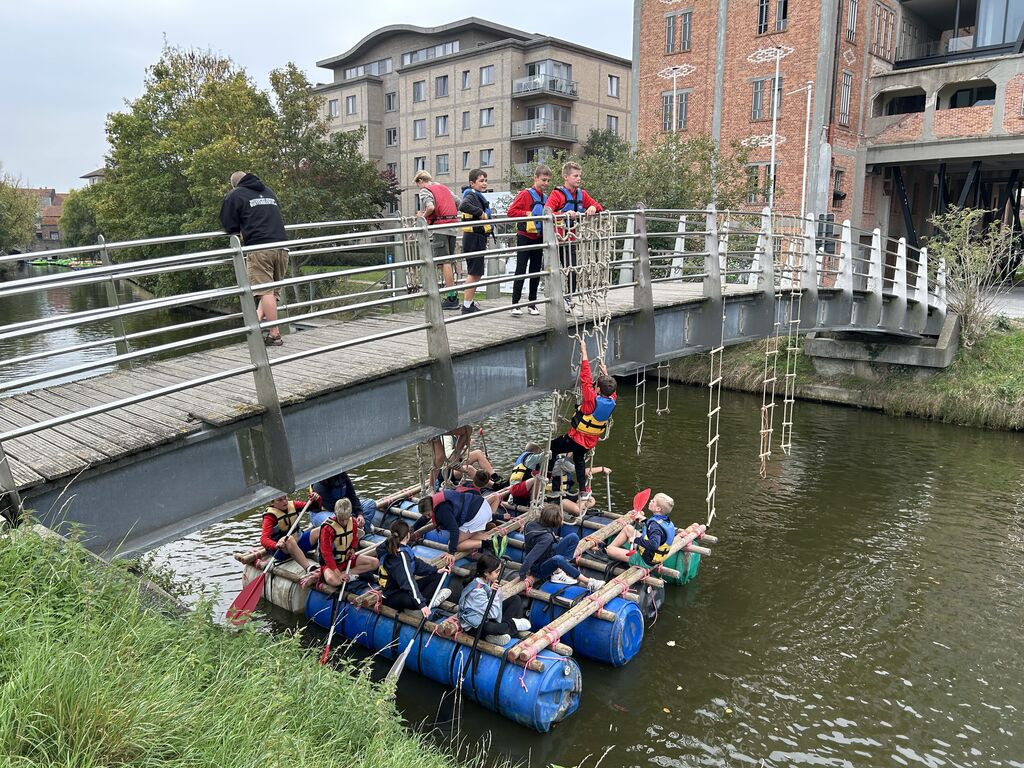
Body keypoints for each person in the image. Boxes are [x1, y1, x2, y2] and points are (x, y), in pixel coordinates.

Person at [219, 171, 289, 346]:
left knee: (265, 292)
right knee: (270, 292)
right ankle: (255, 326)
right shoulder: (268, 191)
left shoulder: (235, 195)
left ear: (233, 185)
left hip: (260, 248)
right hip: (282, 247)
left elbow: (229, 225)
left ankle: (275, 334)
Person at [549, 343, 617, 501]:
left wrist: (584, 351)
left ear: (597, 389)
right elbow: (611, 389)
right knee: (579, 460)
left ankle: (548, 474)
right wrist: (606, 373)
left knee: (553, 446)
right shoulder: (613, 401)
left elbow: (586, 378)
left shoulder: (591, 400)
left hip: (575, 439)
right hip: (589, 443)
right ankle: (582, 490)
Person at [544, 161, 603, 312]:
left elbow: (599, 206)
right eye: (575, 176)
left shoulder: (582, 194)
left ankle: (568, 300)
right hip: (557, 239)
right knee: (556, 271)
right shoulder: (557, 194)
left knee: (573, 270)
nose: (579, 179)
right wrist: (563, 214)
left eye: (580, 176)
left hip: (571, 239)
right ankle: (555, 301)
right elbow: (547, 212)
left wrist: (592, 207)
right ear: (566, 177)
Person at [413, 470, 501, 566]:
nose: (427, 517)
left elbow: (454, 530)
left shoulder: (442, 512)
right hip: (483, 505)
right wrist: (413, 529)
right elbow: (424, 518)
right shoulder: (434, 503)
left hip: (477, 516)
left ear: (432, 508)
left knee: (456, 544)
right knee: (468, 536)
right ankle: (491, 538)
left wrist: (451, 552)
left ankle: (488, 544)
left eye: (428, 514)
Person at [375, 520, 456, 615]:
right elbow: (408, 581)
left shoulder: (397, 546)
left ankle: (423, 602)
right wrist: (421, 604)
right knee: (412, 600)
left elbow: (416, 563)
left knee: (437, 576)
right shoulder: (400, 556)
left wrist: (436, 570)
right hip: (392, 596)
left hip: (402, 589)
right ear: (407, 535)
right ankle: (429, 603)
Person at [519, 503, 604, 590]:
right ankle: (588, 582)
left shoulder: (529, 524)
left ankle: (559, 569)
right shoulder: (546, 538)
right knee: (558, 559)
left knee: (573, 537)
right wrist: (522, 576)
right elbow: (530, 558)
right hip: (539, 569)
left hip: (547, 553)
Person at [506, 164, 552, 316]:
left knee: (535, 270)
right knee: (521, 269)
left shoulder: (546, 198)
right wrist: (527, 214)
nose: (546, 183)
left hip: (539, 237)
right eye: (543, 180)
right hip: (525, 236)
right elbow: (511, 212)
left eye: (548, 181)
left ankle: (532, 304)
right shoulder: (525, 194)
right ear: (536, 178)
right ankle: (515, 304)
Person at [457, 552, 531, 645]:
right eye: (497, 571)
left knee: (515, 599)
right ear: (486, 572)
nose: (499, 574)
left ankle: (496, 634)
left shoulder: (485, 580)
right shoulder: (476, 591)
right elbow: (493, 613)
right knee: (492, 628)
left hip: (485, 616)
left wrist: (491, 591)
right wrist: (495, 594)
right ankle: (512, 625)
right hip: (475, 625)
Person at [414, 170, 461, 311]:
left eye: (417, 184)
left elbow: (430, 207)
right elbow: (458, 202)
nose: (418, 187)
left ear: (420, 181)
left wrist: (422, 217)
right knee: (448, 262)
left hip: (440, 228)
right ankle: (452, 296)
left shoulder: (425, 190)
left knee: (443, 261)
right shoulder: (443, 187)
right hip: (453, 226)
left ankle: (452, 298)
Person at [605, 492, 677, 568]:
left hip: (645, 560)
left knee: (609, 550)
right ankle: (612, 549)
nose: (650, 501)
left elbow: (654, 545)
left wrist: (636, 540)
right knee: (628, 528)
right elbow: (655, 528)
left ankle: (608, 550)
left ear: (658, 509)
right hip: (652, 555)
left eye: (653, 501)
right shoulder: (666, 521)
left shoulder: (655, 527)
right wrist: (643, 519)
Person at [457, 169, 492, 315]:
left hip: (477, 237)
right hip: (473, 238)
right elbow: (463, 206)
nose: (484, 183)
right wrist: (481, 213)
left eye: (485, 181)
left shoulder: (476, 195)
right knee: (474, 272)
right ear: (472, 183)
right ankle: (466, 306)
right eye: (481, 181)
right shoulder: (470, 194)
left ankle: (469, 303)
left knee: (477, 272)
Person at [260, 495, 319, 574]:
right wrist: (275, 545)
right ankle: (308, 568)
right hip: (282, 550)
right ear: (272, 503)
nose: (285, 501)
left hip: (298, 542)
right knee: (289, 539)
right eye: (280, 500)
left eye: (285, 498)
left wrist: (315, 499)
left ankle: (327, 557)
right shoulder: (270, 516)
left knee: (321, 529)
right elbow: (263, 539)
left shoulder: (294, 505)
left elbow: (313, 507)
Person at [308, 471, 375, 529]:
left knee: (370, 504)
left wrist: (359, 514)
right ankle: (353, 529)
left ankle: (363, 529)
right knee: (334, 521)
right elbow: (331, 507)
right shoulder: (319, 484)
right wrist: (351, 517)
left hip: (344, 506)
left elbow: (353, 496)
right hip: (323, 512)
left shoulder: (342, 475)